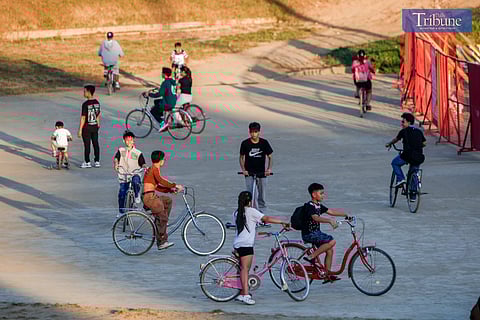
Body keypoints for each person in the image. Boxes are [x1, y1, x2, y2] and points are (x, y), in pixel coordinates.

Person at [233, 191, 289, 305]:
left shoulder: (236, 212)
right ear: (250, 201)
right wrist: (282, 221)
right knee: (245, 269)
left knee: (241, 269)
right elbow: (266, 218)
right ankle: (245, 295)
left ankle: (241, 292)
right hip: (246, 245)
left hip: (238, 243)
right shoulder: (251, 211)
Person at [301, 183, 349, 284]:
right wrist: (329, 221)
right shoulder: (309, 206)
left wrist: (345, 214)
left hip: (316, 233)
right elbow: (315, 217)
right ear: (314, 195)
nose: (323, 195)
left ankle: (326, 275)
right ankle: (311, 257)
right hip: (310, 234)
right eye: (321, 193)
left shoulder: (318, 206)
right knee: (332, 241)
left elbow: (330, 211)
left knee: (330, 250)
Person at [143, 150, 184, 250]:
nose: (164, 161)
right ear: (160, 160)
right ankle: (162, 241)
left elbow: (158, 187)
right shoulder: (154, 169)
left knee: (167, 201)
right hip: (149, 198)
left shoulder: (152, 169)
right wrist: (175, 185)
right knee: (163, 217)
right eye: (163, 159)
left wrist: (170, 190)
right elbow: (161, 181)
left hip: (151, 195)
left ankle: (162, 222)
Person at [385, 112, 426, 199]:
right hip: (418, 156)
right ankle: (413, 196)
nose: (402, 124)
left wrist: (389, 144)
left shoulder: (403, 131)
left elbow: (396, 140)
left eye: (403, 122)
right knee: (414, 172)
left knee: (395, 163)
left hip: (407, 155)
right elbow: (424, 143)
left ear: (409, 122)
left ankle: (401, 179)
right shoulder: (419, 132)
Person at [239, 122, 273, 215]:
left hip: (262, 173)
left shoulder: (264, 143)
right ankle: (254, 215)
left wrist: (268, 169)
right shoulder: (245, 143)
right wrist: (243, 170)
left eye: (256, 132)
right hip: (249, 173)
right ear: (249, 132)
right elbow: (241, 157)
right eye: (252, 132)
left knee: (262, 196)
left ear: (259, 132)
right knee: (251, 195)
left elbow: (270, 157)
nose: (254, 134)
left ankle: (263, 215)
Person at [113, 131, 147, 216]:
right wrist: (116, 164)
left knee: (136, 181)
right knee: (122, 194)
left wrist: (145, 166)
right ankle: (121, 212)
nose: (129, 142)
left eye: (130, 140)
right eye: (127, 140)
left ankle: (136, 195)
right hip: (124, 175)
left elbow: (143, 162)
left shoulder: (138, 153)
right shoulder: (121, 150)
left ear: (133, 141)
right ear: (124, 141)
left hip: (135, 173)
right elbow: (116, 158)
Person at [78, 84, 101, 168]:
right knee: (96, 144)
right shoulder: (97, 103)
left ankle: (87, 162)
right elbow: (98, 115)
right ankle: (97, 161)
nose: (83, 93)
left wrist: (80, 129)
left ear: (88, 92)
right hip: (95, 126)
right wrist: (98, 125)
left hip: (87, 127)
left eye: (84, 91)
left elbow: (83, 118)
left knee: (87, 145)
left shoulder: (85, 104)